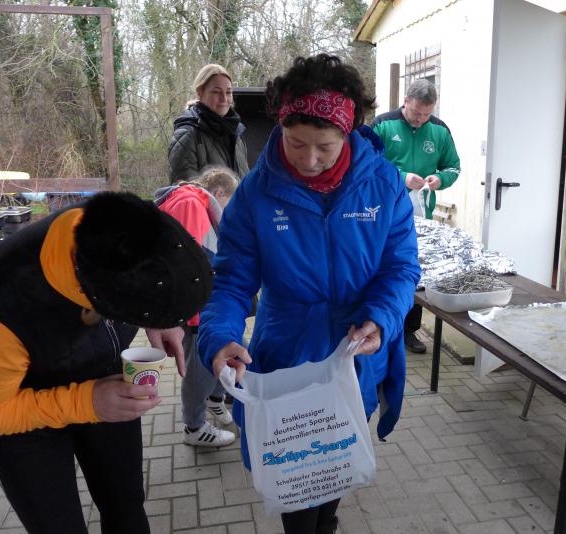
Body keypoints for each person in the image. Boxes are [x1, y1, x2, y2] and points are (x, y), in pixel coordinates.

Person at [197, 54, 421, 534]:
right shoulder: (256, 194)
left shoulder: (383, 185)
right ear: (280, 126)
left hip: (355, 355)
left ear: (349, 132)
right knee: (297, 493)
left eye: (325, 146)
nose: (310, 159)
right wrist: (219, 337)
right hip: (288, 357)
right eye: (296, 143)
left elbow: (401, 268)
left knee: (335, 474)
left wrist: (382, 318)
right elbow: (231, 281)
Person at [0, 192, 213, 534]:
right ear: (93, 301)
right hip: (21, 416)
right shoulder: (2, 308)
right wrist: (86, 402)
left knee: (127, 507)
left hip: (104, 386)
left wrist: (161, 319)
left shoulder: (122, 225)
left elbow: (152, 267)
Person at [371, 78, 461, 354]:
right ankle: (379, 324)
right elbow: (368, 165)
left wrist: (440, 179)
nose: (421, 119)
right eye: (416, 112)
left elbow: (453, 167)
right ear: (406, 101)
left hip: (421, 215)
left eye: (426, 114)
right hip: (381, 213)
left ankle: (409, 330)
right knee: (383, 267)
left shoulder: (439, 130)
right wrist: (401, 177)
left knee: (414, 270)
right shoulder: (382, 125)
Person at [154, 165, 239, 447]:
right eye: (229, 203)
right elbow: (185, 261)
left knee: (222, 351)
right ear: (219, 192)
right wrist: (192, 311)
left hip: (201, 304)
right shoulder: (191, 203)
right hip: (194, 308)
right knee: (199, 366)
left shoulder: (188, 200)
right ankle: (194, 426)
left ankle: (215, 399)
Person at [168, 64, 249, 182]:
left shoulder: (237, 133)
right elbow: (185, 191)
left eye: (228, 92)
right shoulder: (187, 136)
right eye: (216, 92)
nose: (224, 99)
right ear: (200, 92)